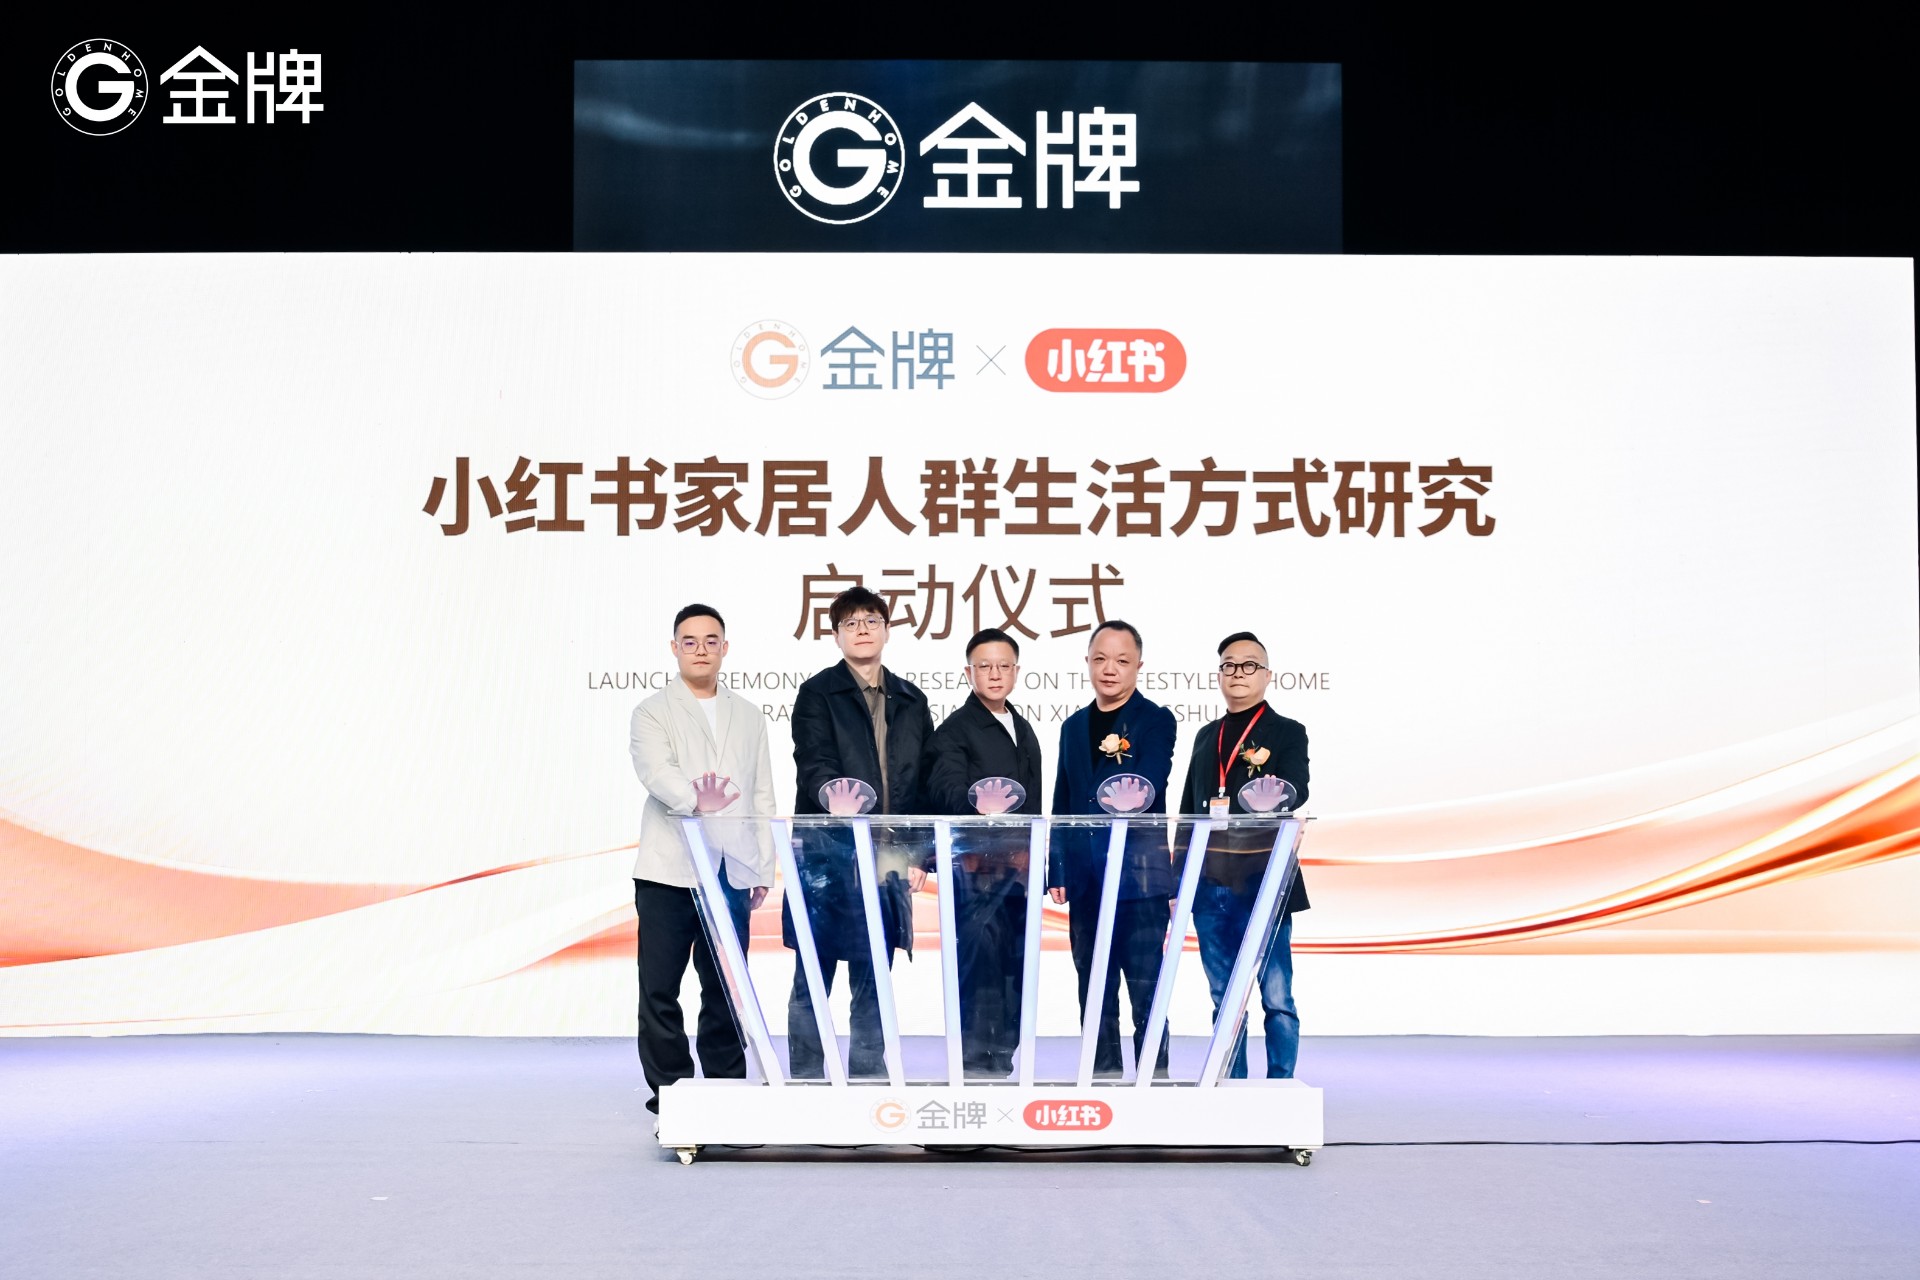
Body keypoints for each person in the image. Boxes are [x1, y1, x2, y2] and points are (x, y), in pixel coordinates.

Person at [627, 604, 776, 1113]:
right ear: (674, 648)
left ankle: (727, 1086)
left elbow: (761, 794)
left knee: (725, 986)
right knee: (660, 987)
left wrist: (761, 866)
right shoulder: (652, 711)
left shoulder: (749, 714)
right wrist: (695, 800)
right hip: (667, 869)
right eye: (689, 641)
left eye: (711, 641)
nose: (701, 650)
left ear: (725, 648)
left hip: (731, 870)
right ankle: (671, 1092)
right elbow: (655, 771)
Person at [784, 587, 935, 1079]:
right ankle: (807, 1081)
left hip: (887, 857)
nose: (862, 630)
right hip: (828, 857)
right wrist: (834, 795)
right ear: (836, 635)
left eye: (871, 620)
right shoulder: (817, 694)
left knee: (874, 978)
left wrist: (918, 852)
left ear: (887, 630)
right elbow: (813, 760)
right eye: (851, 623)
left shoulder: (911, 699)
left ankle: (869, 1083)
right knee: (813, 975)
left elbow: (925, 783)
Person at [1047, 619, 1177, 1077]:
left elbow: (1150, 782)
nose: (1109, 669)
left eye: (1122, 660)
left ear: (1138, 665)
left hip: (1139, 877)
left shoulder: (1155, 720)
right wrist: (1058, 868)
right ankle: (1101, 1076)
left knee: (1146, 986)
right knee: (1093, 983)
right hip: (1086, 880)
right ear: (1086, 662)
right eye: (1100, 659)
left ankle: (1154, 1080)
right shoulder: (1072, 726)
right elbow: (1063, 800)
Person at [1179, 630, 1311, 1079]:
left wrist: (1267, 794)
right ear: (1219, 675)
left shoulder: (1287, 731)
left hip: (1264, 881)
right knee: (1224, 998)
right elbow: (1188, 808)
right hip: (1210, 884)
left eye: (1249, 665)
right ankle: (1231, 1090)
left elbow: (1297, 789)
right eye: (1229, 665)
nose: (1239, 673)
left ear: (1267, 675)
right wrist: (1178, 880)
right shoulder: (1206, 736)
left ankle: (1280, 1088)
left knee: (1277, 997)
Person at [926, 628, 1044, 1076]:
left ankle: (1003, 1063)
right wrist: (976, 802)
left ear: (1016, 670)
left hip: (1019, 872)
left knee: (1015, 969)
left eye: (1003, 666)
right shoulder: (955, 729)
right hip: (975, 872)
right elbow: (942, 789)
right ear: (968, 672)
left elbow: (1035, 803)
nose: (995, 674)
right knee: (979, 969)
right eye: (985, 666)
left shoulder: (1022, 726)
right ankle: (975, 1068)